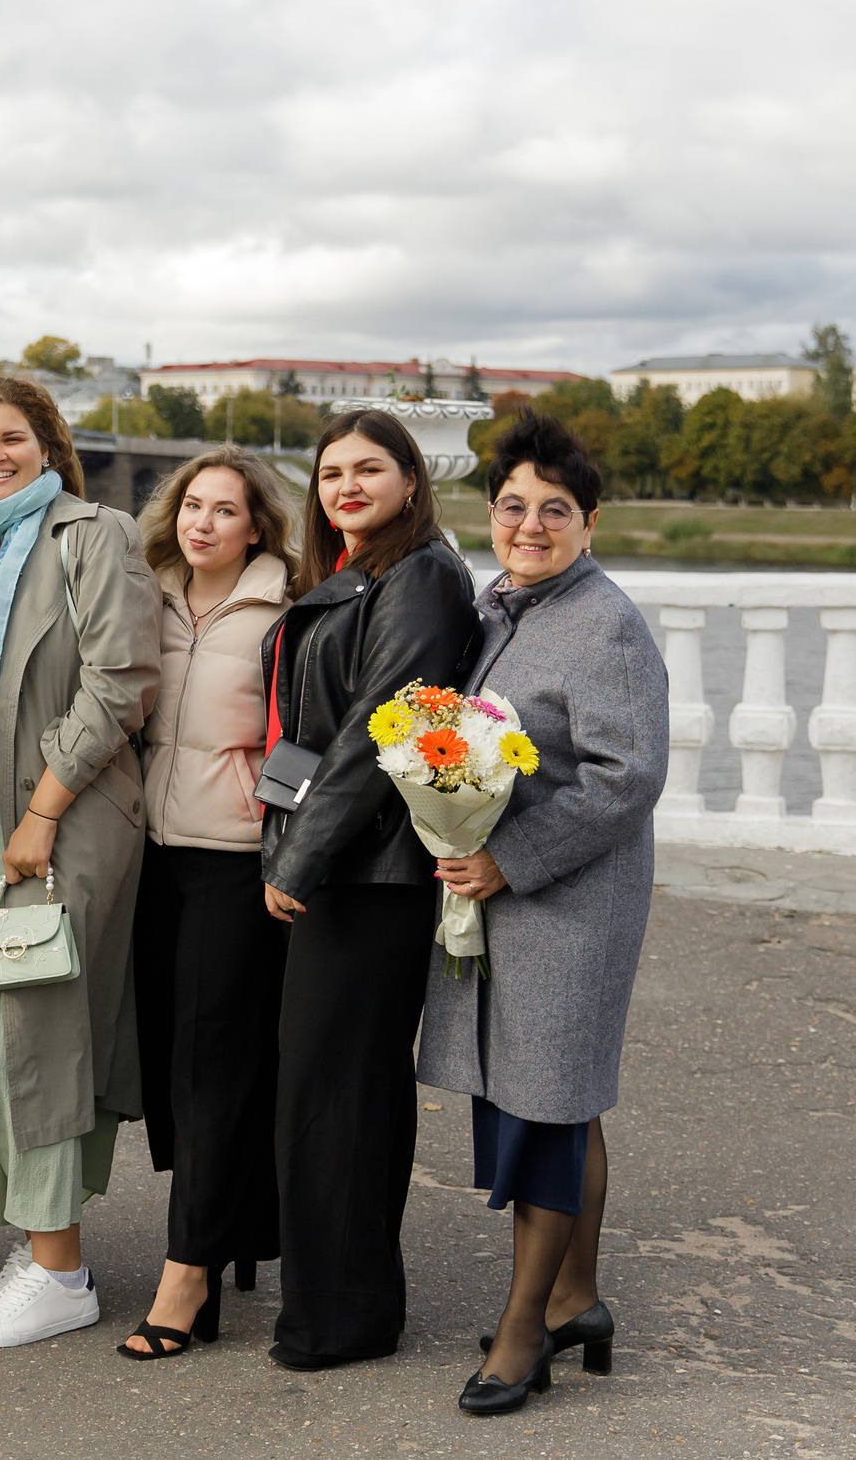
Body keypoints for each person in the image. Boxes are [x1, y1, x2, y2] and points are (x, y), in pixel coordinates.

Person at [418, 413, 666, 1416]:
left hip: (568, 904)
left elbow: (627, 776)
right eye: (514, 506)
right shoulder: (503, 608)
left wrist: (507, 860)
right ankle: (575, 1299)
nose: (529, 525)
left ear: (588, 521)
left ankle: (524, 1335)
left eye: (552, 511)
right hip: (506, 894)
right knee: (558, 1098)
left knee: (547, 1110)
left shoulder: (602, 622)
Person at [0, 375, 160, 1351]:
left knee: (41, 1029)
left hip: (63, 814)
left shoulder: (90, 534)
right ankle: (32, 1240)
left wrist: (43, 810)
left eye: (11, 437)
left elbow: (121, 679)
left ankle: (59, 1269)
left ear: (48, 444)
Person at [259, 405, 478, 1372]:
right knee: (339, 1091)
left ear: (410, 478)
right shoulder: (362, 573)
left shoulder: (423, 574)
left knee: (334, 1094)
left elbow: (378, 732)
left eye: (368, 469)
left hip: (369, 874)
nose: (345, 485)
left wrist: (298, 856)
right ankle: (347, 1305)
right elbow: (315, 723)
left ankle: (338, 1319)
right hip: (343, 862)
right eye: (330, 472)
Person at [121, 446, 296, 1358]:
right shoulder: (149, 592)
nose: (204, 522)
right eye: (193, 504)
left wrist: (280, 832)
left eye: (226, 510)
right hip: (153, 854)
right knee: (169, 1064)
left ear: (256, 524)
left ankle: (187, 1276)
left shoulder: (287, 608)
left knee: (212, 1065)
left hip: (234, 858)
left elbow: (304, 737)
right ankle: (216, 1237)